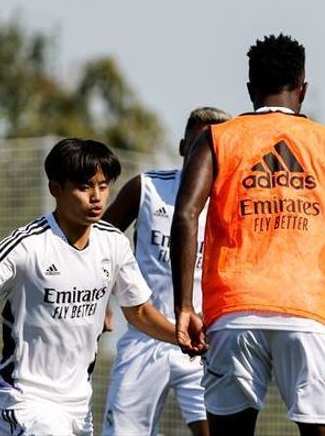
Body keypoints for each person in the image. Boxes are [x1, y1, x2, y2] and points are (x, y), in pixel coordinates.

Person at [170, 33, 325, 436]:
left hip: (233, 312)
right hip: (309, 314)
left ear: (250, 89)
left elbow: (186, 214)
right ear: (303, 89)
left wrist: (184, 305)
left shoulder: (217, 139)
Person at [0, 138, 178, 436]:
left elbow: (140, 312)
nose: (96, 197)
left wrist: (182, 337)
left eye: (103, 186)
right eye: (84, 187)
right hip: (25, 399)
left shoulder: (114, 244)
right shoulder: (28, 245)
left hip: (78, 404)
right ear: (56, 189)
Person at [101, 107, 231, 436]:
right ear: (183, 146)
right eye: (200, 142)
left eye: (216, 145)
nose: (207, 151)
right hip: (146, 337)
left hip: (205, 345)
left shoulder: (233, 203)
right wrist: (101, 302)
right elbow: (100, 245)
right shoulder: (146, 188)